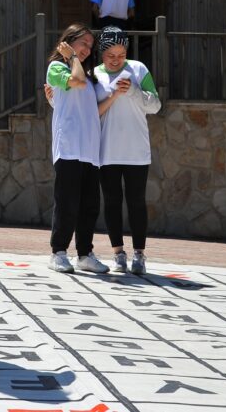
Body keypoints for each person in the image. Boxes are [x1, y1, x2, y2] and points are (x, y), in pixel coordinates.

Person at [93, 27, 161, 275]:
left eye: (121, 54)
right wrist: (113, 94)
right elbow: (91, 111)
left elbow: (155, 105)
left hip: (136, 149)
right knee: (111, 202)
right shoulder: (95, 74)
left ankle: (140, 254)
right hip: (106, 149)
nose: (116, 60)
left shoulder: (138, 69)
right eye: (111, 54)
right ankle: (117, 253)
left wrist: (133, 90)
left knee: (136, 202)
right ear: (102, 53)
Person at [46, 23, 109, 275]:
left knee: (89, 204)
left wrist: (113, 98)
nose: (86, 50)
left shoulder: (91, 78)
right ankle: (58, 252)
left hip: (90, 150)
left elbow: (93, 110)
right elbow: (77, 83)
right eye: (83, 43)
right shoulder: (56, 67)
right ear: (68, 41)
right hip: (69, 146)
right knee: (67, 202)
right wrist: (71, 57)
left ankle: (85, 254)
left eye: (89, 47)